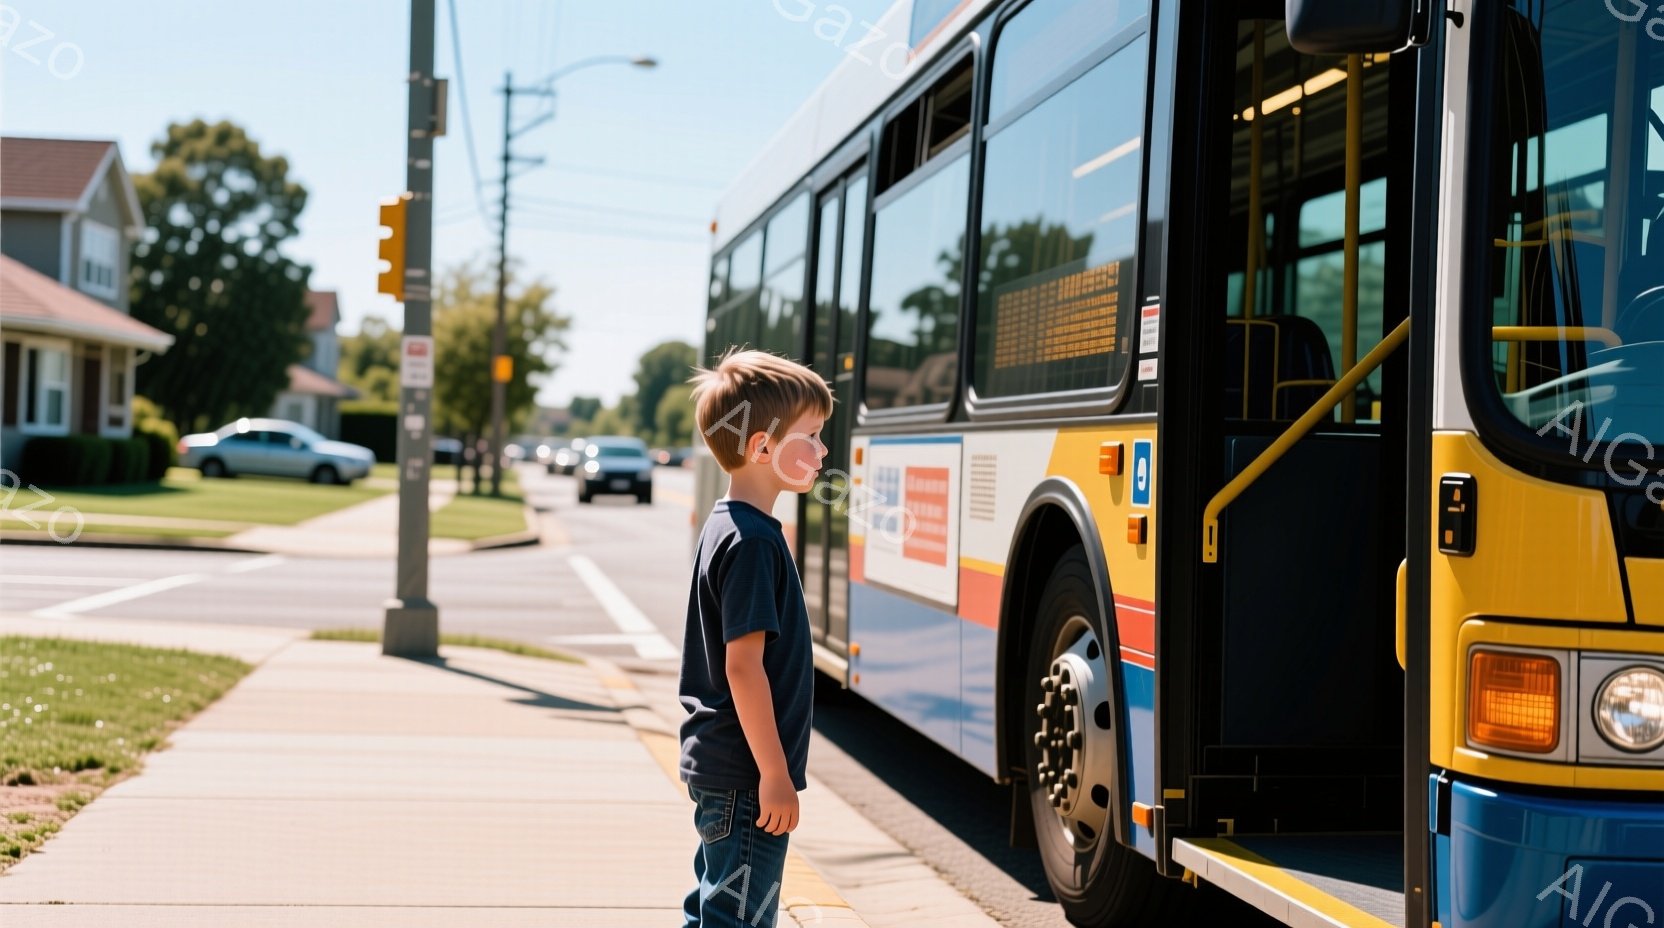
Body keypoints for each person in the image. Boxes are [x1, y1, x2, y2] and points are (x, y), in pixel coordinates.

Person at [678, 348, 832, 928]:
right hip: (747, 779)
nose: (822, 451)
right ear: (762, 448)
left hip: (732, 773)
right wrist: (775, 775)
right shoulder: (752, 542)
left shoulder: (733, 527)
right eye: (811, 436)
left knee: (718, 911)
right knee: (737, 920)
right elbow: (743, 668)